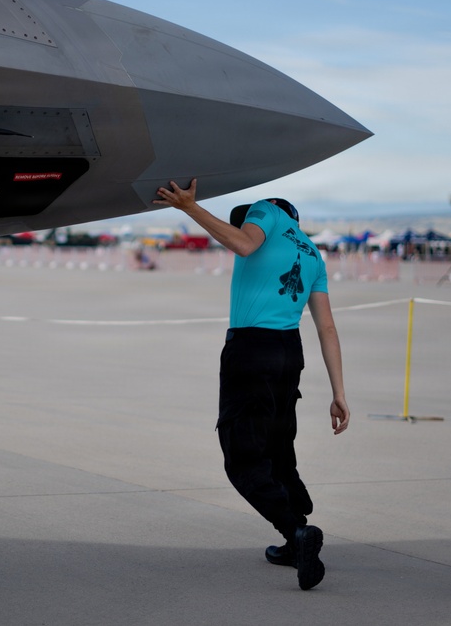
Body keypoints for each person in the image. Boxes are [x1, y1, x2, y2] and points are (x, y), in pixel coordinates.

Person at [153, 179, 350, 591]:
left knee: (242, 455)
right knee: (277, 448)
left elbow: (243, 245)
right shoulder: (312, 253)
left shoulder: (267, 208)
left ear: (276, 211)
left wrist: (189, 207)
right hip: (289, 354)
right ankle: (295, 539)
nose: (245, 225)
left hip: (252, 349)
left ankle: (296, 531)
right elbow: (327, 328)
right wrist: (339, 394)